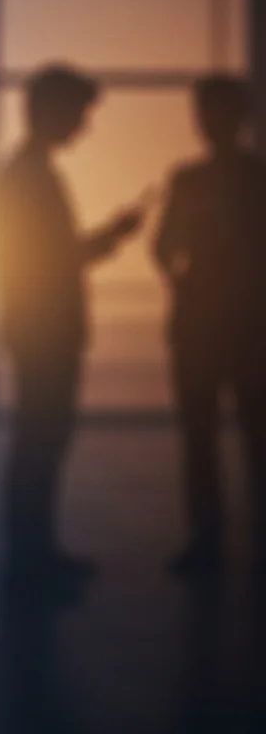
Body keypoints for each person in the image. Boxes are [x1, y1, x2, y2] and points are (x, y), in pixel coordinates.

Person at [0, 65, 145, 594]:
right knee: (41, 443)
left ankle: (33, 557)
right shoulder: (30, 175)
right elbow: (54, 260)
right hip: (46, 332)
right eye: (79, 114)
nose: (83, 126)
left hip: (39, 330)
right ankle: (32, 563)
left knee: (39, 444)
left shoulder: (24, 171)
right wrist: (113, 237)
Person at [155, 75, 266, 577]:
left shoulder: (188, 180)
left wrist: (185, 281)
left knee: (203, 440)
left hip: (207, 324)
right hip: (245, 325)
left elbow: (163, 248)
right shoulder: (253, 177)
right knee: (249, 437)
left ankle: (208, 543)